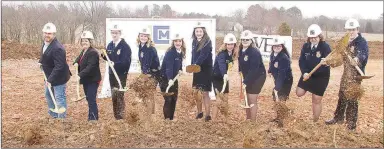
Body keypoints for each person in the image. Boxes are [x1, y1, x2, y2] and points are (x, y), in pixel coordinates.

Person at [325, 18, 369, 130]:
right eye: (349, 30)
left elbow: (363, 54)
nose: (351, 32)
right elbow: (339, 59)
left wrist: (357, 59)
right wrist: (330, 62)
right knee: (342, 96)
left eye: (353, 29)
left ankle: (351, 124)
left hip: (356, 75)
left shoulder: (361, 42)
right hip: (346, 74)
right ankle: (338, 118)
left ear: (357, 29)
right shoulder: (345, 43)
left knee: (352, 99)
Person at [296, 24, 331, 122]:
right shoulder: (306, 46)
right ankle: (309, 88)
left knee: (316, 99)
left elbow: (332, 61)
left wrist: (327, 62)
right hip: (308, 75)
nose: (313, 39)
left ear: (319, 36)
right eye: (311, 37)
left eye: (315, 37)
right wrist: (304, 73)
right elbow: (301, 61)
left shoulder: (325, 47)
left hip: (321, 77)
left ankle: (315, 120)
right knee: (299, 93)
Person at [38, 22, 71, 119]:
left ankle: (61, 119)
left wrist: (50, 80)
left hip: (59, 77)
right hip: (49, 76)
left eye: (49, 33)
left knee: (59, 98)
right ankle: (54, 116)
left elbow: (59, 66)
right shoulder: (45, 43)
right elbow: (44, 55)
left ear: (54, 34)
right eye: (45, 33)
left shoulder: (58, 48)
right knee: (48, 95)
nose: (47, 35)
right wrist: (40, 62)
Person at [101, 24, 132, 120]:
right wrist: (104, 55)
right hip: (111, 74)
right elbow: (108, 57)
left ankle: (121, 117)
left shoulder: (125, 46)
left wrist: (115, 64)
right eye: (112, 33)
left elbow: (126, 62)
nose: (114, 35)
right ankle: (116, 117)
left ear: (120, 33)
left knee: (119, 95)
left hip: (120, 75)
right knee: (114, 95)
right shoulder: (110, 44)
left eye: (116, 33)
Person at [238, 30, 266, 121]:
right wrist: (240, 70)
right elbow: (240, 62)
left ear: (251, 41)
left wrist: (246, 82)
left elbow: (254, 69)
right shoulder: (241, 50)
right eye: (243, 39)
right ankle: (248, 119)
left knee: (251, 98)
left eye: (247, 39)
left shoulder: (254, 52)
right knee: (246, 98)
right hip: (248, 77)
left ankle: (253, 122)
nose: (245, 41)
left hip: (257, 77)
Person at [73, 31, 101, 121]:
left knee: (91, 99)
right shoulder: (84, 51)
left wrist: (80, 75)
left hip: (93, 80)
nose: (84, 42)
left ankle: (93, 119)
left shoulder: (93, 52)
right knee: (89, 99)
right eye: (83, 41)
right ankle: (91, 117)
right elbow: (78, 60)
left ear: (90, 42)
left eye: (86, 41)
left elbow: (91, 67)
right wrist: (75, 63)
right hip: (86, 80)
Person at [159, 33, 185, 120]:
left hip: (174, 79)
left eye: (180, 41)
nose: (178, 43)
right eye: (176, 41)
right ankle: (167, 119)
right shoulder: (170, 53)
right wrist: (169, 79)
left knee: (174, 99)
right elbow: (169, 67)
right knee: (168, 99)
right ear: (173, 42)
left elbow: (179, 64)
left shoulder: (180, 52)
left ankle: (171, 119)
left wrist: (180, 69)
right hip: (165, 79)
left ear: (182, 42)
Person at [267, 37, 293, 127]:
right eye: (275, 46)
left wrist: (277, 87)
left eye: (279, 46)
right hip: (277, 79)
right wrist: (270, 70)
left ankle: (281, 122)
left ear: (282, 47)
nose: (277, 47)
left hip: (286, 81)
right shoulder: (273, 54)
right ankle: (278, 117)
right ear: (272, 47)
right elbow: (271, 63)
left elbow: (282, 74)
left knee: (281, 98)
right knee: (275, 96)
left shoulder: (284, 58)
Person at [190, 22, 214, 121]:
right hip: (197, 69)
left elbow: (203, 56)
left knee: (205, 93)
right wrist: (192, 65)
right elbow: (193, 55)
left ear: (203, 31)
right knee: (196, 92)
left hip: (206, 70)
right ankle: (200, 112)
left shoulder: (207, 41)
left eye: (200, 31)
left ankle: (208, 115)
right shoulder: (194, 42)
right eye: (197, 31)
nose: (198, 33)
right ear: (194, 32)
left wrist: (195, 65)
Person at [212, 33, 237, 119]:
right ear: (225, 44)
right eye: (228, 44)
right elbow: (221, 64)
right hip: (217, 78)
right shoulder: (222, 54)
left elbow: (229, 65)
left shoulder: (232, 53)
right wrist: (225, 74)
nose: (230, 46)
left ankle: (226, 119)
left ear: (234, 45)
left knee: (225, 99)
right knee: (218, 99)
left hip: (225, 78)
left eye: (232, 44)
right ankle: (213, 121)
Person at [137, 27, 161, 114]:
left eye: (145, 36)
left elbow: (148, 63)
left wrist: (144, 75)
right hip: (147, 72)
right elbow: (143, 63)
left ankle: (151, 114)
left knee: (149, 93)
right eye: (141, 36)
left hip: (153, 73)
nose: (143, 37)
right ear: (139, 36)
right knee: (146, 93)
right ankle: (149, 112)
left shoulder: (150, 48)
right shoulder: (141, 46)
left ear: (148, 38)